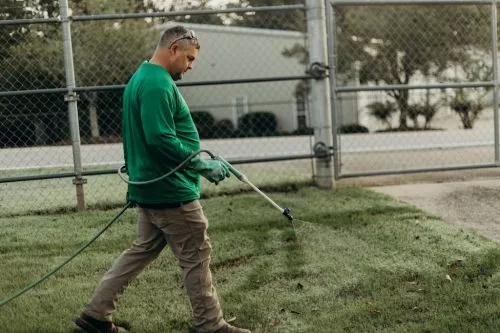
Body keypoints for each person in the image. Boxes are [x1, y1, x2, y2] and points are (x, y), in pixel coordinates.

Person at [74, 25, 251, 333]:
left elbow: (142, 137)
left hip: (151, 187)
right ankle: (211, 326)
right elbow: (159, 138)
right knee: (197, 255)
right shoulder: (157, 84)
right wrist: (200, 164)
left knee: (140, 251)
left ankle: (95, 316)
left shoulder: (140, 78)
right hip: (171, 191)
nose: (191, 66)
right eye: (190, 58)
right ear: (173, 50)